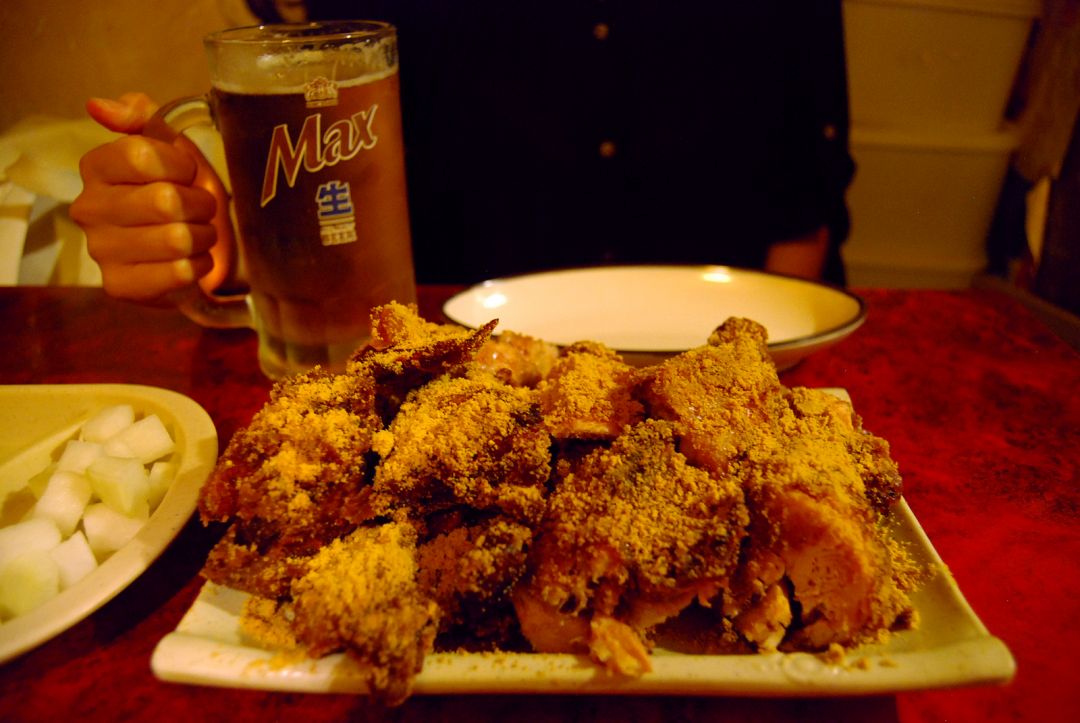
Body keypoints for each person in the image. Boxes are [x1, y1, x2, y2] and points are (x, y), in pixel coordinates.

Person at [71, 1, 854, 307]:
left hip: (726, 347)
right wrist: (231, 238)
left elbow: (805, 214)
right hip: (438, 378)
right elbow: (327, 182)